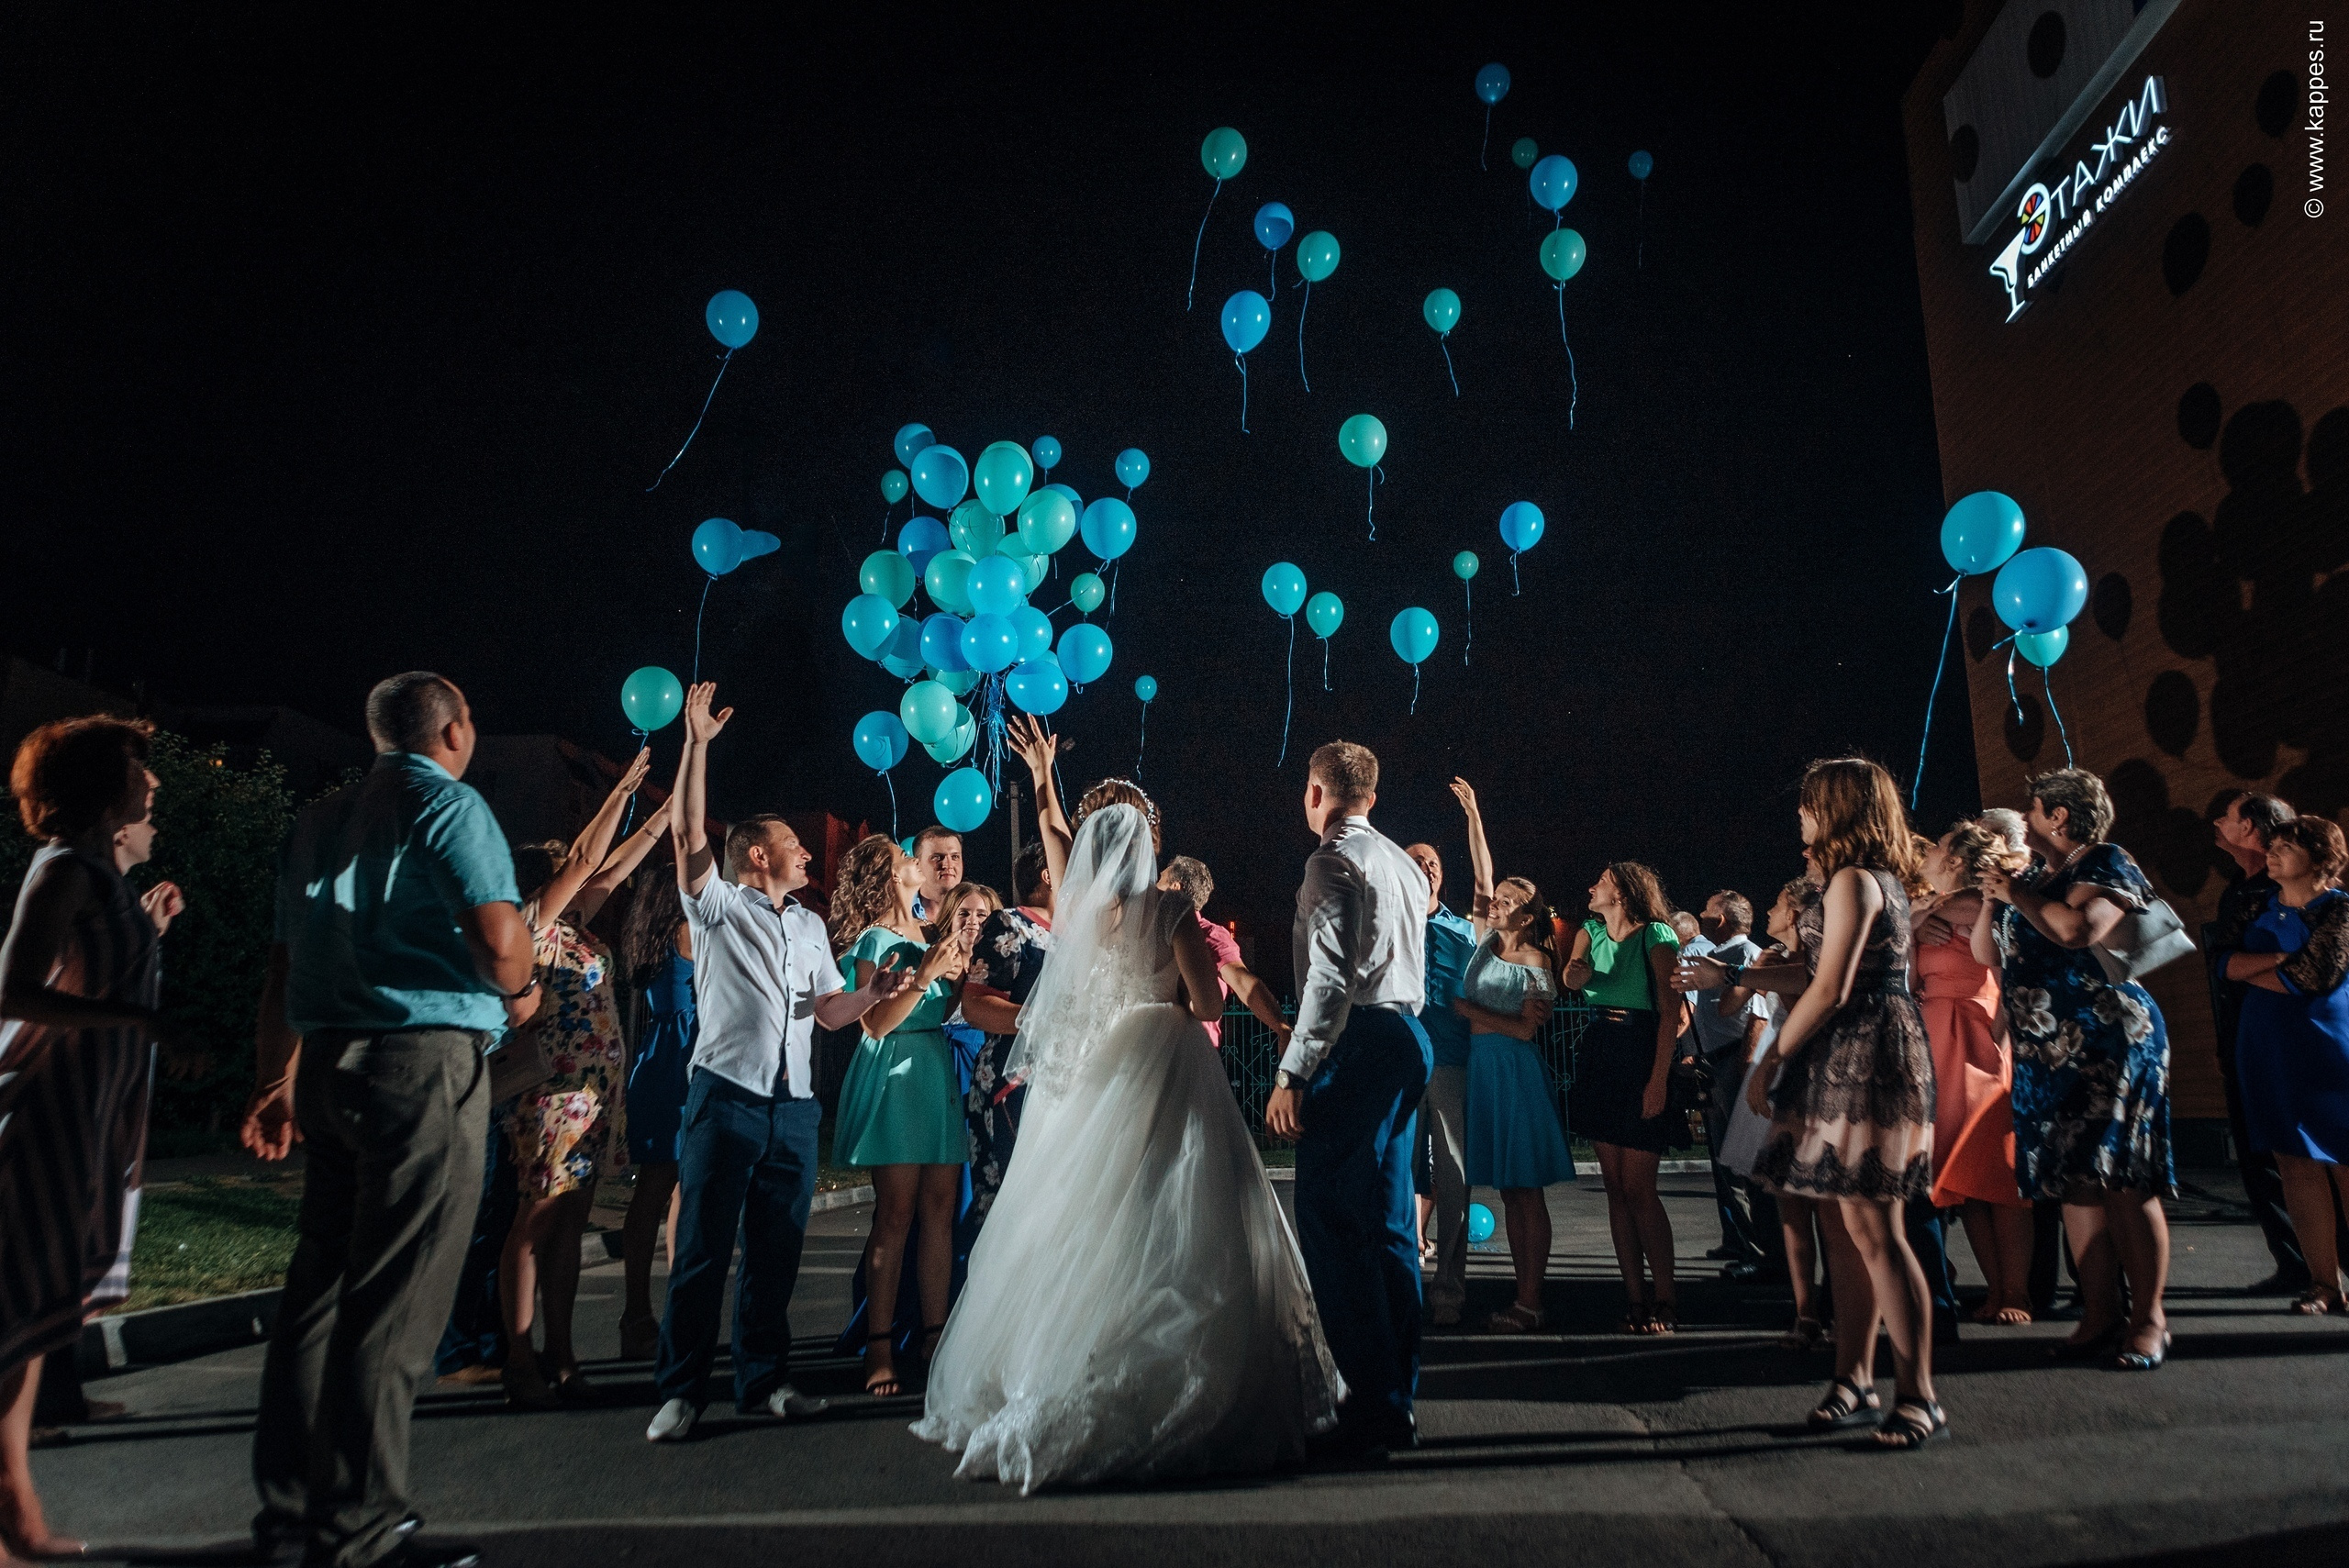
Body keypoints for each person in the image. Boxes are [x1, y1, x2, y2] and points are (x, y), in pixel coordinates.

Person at [914, 782, 1342, 1488]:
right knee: (1183, 1206)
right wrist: (1178, 989)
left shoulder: (1079, 913)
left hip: (1101, 1062)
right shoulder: (1170, 907)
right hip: (1167, 1050)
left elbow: (1072, 988)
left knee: (1087, 1210)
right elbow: (1206, 1000)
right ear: (1145, 850)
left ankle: (1060, 1361)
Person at [242, 673, 539, 1568]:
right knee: (395, 1297)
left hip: (331, 1058)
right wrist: (522, 985)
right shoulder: (450, 807)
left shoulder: (320, 818)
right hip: (421, 1062)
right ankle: (363, 1525)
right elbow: (497, 938)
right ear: (450, 728)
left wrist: (274, 1079)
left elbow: (282, 961)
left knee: (319, 1295)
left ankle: (293, 1508)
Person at [647, 684, 911, 1443]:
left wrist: (872, 994)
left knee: (774, 1254)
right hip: (725, 1097)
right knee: (701, 1253)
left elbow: (828, 1012)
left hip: (794, 1110)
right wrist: (695, 743)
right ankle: (681, 1391)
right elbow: (687, 830)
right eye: (795, 842)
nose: (806, 849)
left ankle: (763, 1381)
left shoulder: (812, 925)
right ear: (758, 854)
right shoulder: (719, 905)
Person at [0, 717, 176, 1559]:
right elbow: (13, 990)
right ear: (105, 784)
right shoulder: (66, 866)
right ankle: (14, 1513)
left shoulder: (102, 874)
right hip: (44, 1112)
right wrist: (131, 1016)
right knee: (18, 1309)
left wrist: (147, 935)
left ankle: (14, 1510)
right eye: (141, 768)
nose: (154, 784)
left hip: (91, 1115)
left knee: (35, 1315)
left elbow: (96, 966)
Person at [1738, 758, 1941, 1448]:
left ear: (1839, 808)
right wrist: (1738, 971)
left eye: (1809, 803)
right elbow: (1813, 970)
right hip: (1850, 1048)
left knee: (1878, 1231)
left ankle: (1919, 1395)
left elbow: (1830, 987)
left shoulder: (1856, 879)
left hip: (1867, 1054)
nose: (1800, 813)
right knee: (1845, 1232)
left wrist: (1772, 1057)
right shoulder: (1854, 881)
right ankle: (1853, 1376)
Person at [1976, 765, 2176, 1373]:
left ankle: (2149, 1318)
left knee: (2122, 1175)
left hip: (2108, 1034)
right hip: (2045, 1046)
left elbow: (2075, 930)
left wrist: (2017, 896)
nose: (2026, 820)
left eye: (2031, 810)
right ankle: (2099, 1313)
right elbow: (1989, 955)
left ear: (2059, 816)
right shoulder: (2033, 877)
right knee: (2076, 1180)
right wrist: (1995, 899)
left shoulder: (2105, 862)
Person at [1264, 741, 1431, 1455]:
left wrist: (1292, 1073)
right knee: (1391, 1225)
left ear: (1314, 792)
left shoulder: (1330, 861)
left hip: (1357, 1041)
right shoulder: (1400, 860)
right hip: (1407, 1036)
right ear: (1373, 790)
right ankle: (1397, 1393)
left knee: (1334, 1219)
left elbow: (1329, 980)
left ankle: (1371, 1401)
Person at [495, 754, 662, 1407]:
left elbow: (612, 867)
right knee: (534, 1223)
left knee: (572, 1223)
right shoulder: (528, 927)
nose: (581, 873)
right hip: (549, 1093)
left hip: (592, 1095)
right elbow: (587, 863)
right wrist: (620, 787)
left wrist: (664, 813)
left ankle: (562, 1353)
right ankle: (518, 1353)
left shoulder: (576, 931)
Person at [829, 834, 974, 1398]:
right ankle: (880, 1347)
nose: (919, 864)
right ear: (894, 877)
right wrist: (928, 972)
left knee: (939, 1212)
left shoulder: (929, 934)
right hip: (896, 1069)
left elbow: (950, 1005)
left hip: (934, 1069)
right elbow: (875, 1022)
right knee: (894, 1215)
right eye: (907, 859)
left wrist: (957, 969)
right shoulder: (876, 938)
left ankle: (935, 1339)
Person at [1443, 779, 1571, 1334]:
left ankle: (1531, 1300)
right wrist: (1474, 815)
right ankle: (1525, 1297)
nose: (1497, 902)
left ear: (1528, 912)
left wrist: (1475, 1014)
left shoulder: (1539, 957)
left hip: (1514, 1073)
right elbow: (1480, 873)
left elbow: (1526, 1031)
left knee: (1524, 1190)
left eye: (1509, 900)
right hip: (1484, 1072)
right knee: (1509, 1191)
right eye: (1498, 898)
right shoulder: (1483, 940)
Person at [2221, 816, 2349, 1314]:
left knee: (2344, 1162)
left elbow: (2311, 978)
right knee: (2293, 1165)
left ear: (2321, 859)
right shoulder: (2254, 903)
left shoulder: (2340, 910)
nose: (2272, 853)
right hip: (2266, 1044)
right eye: (2271, 844)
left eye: (2287, 847)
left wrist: (2256, 968)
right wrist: (2275, 962)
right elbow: (2220, 962)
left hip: (2328, 1045)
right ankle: (2323, 1282)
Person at [1915, 814, 2033, 1324]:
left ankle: (2018, 1292)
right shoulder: (1929, 910)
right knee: (1963, 1175)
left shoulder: (1976, 905)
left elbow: (2005, 978)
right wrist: (1917, 917)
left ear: (1958, 861)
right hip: (1936, 1038)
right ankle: (1994, 1290)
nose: (1931, 853)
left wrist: (2003, 1042)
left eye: (1939, 846)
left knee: (1996, 1171)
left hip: (1978, 1034)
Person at [955, 718, 1066, 1255]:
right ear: (1046, 875)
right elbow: (975, 1006)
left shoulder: (1068, 935)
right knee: (1006, 1215)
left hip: (1058, 1086)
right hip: (1009, 1084)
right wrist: (1041, 1019)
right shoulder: (1010, 925)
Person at [1705, 877, 1831, 1348]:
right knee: (1785, 1195)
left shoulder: (1807, 962)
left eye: (1777, 904)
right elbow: (1733, 1006)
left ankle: (1830, 1301)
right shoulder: (1770, 958)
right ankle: (1804, 1309)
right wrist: (1755, 967)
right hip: (1773, 1070)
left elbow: (1799, 1008)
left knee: (1821, 1198)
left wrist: (1738, 972)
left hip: (1802, 1070)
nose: (1770, 912)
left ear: (1795, 915)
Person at [1563, 861, 1684, 1332]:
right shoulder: (1589, 932)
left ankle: (1667, 1299)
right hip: (1600, 1050)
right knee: (1615, 1188)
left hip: (1641, 1051)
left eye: (1602, 880)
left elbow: (1670, 1010)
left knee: (1639, 1187)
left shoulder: (1657, 935)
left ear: (1625, 892)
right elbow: (1571, 981)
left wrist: (1658, 1080)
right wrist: (1576, 969)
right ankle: (1635, 1299)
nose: (1591, 885)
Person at [2204, 789, 2317, 1292]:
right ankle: (2296, 1263)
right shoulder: (2238, 887)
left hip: (2293, 1035)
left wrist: (2246, 966)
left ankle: (2326, 1264)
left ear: (2251, 828)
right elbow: (2224, 964)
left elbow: (2310, 964)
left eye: (2227, 817)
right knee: (2260, 1155)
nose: (2216, 823)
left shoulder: (2284, 890)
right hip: (2244, 1035)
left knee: (2311, 1153)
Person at [1403, 838, 1479, 1328]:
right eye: (1416, 861)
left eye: (1434, 862)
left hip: (1451, 1063)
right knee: (1400, 1174)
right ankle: (1403, 1276)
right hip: (1403, 1064)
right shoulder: (1388, 922)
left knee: (1453, 1178)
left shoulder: (1465, 930)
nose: (1427, 868)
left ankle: (1448, 1289)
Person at [617, 864, 692, 1362]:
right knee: (679, 1188)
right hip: (687, 1057)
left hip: (658, 1057)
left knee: (654, 1187)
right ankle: (676, 1311)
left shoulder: (649, 934)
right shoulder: (689, 932)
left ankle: (638, 1313)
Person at [1682, 891, 1770, 1273]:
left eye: (1704, 913)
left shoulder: (1746, 956)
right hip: (1715, 1060)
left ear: (1719, 920)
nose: (1700, 920)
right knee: (1723, 1158)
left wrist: (1746, 1069)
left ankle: (1760, 1252)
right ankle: (1737, 1240)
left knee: (1744, 1160)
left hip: (1735, 1060)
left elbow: (1758, 1017)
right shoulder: (1721, 955)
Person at [1158, 855, 1289, 1051]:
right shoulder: (1153, 934)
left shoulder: (1209, 934)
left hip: (1193, 1048)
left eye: (1160, 880)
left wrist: (1281, 1028)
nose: (1153, 887)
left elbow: (1242, 981)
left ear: (1175, 889)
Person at [910, 824, 963, 920]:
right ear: (917, 864)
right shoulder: (898, 911)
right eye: (937, 857)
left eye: (954, 857)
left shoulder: (976, 914)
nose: (948, 865)